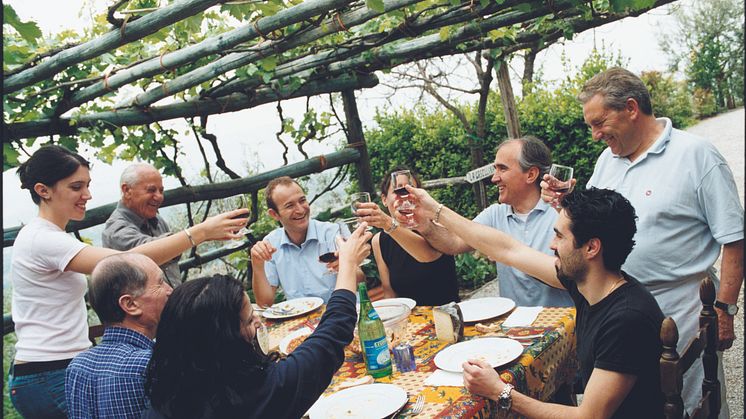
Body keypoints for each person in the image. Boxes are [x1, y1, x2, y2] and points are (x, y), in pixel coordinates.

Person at [542, 67, 743, 417]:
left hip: (683, 310)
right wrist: (566, 201)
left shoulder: (697, 155)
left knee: (695, 404)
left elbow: (734, 238)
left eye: (598, 123)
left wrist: (724, 310)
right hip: (620, 312)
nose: (593, 135)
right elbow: (594, 226)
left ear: (631, 108)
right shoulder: (608, 160)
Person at [8, 144, 246, 418]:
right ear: (43, 190)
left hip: (61, 366)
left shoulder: (50, 236)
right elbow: (125, 261)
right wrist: (199, 233)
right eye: (76, 187)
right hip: (47, 373)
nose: (87, 195)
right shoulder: (42, 238)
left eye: (87, 185)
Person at [409, 185, 664, 418]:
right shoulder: (590, 284)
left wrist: (500, 391)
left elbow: (588, 417)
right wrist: (436, 211)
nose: (552, 245)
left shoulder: (626, 319)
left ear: (591, 248)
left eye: (560, 237)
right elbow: (508, 249)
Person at [142, 223, 372, 419]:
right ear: (226, 337)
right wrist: (348, 264)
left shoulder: (164, 397)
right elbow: (332, 335)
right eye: (251, 319)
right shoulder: (261, 392)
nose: (259, 323)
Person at [418, 136, 573, 307]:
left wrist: (436, 209)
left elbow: (574, 277)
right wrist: (425, 224)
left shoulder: (562, 214)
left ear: (531, 174)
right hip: (514, 328)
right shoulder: (495, 214)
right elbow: (453, 242)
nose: (494, 178)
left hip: (562, 326)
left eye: (502, 169)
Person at [66, 253, 172, 419]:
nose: (169, 290)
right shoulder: (153, 364)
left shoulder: (77, 366)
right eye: (160, 283)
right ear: (130, 304)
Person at [251, 176, 364, 307]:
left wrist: (347, 266)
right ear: (274, 214)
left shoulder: (332, 232)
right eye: (290, 205)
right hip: (300, 322)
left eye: (302, 200)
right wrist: (257, 265)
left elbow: (361, 280)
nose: (300, 210)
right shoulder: (271, 243)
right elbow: (264, 303)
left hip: (341, 312)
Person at [354, 166, 459, 305]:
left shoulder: (435, 224)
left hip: (446, 315)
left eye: (410, 189)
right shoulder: (379, 241)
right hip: (411, 321)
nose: (404, 196)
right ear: (384, 199)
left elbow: (428, 256)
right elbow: (390, 293)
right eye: (398, 190)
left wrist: (387, 223)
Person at [102, 163, 181, 287]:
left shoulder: (156, 219)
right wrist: (200, 233)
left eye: (161, 190)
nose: (159, 197)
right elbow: (148, 255)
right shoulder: (116, 231)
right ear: (127, 190)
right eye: (151, 190)